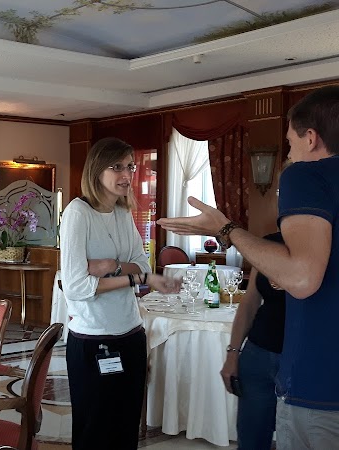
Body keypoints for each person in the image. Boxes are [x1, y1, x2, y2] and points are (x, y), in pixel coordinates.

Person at [158, 85, 339, 449]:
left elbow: (302, 277)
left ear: (311, 138)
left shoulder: (307, 175)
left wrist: (225, 229)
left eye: (290, 143)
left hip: (320, 385)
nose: (289, 154)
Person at [60, 137, 180, 450]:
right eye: (117, 167)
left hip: (131, 336)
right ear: (97, 170)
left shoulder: (123, 212)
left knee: (125, 432)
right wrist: (133, 277)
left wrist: (108, 266)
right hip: (92, 339)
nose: (127, 175)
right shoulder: (78, 213)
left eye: (130, 167)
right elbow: (76, 287)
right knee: (94, 434)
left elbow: (143, 264)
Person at [220, 232, 285, 450]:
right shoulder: (268, 242)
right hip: (258, 354)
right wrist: (232, 354)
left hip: (304, 359)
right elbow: (249, 302)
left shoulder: (326, 243)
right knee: (251, 441)